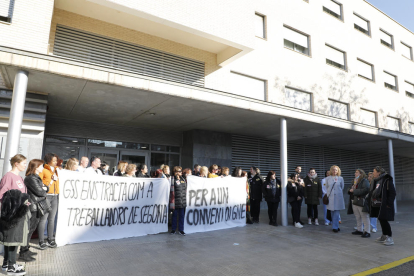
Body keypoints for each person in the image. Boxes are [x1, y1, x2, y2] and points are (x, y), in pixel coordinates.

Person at [0, 154, 29, 275]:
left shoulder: (19, 177)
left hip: (20, 212)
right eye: (23, 163)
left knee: (13, 239)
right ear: (16, 163)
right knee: (13, 239)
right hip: (13, 214)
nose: (25, 165)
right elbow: (2, 194)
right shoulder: (9, 176)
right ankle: (11, 267)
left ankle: (6, 264)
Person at [20, 159, 49, 262]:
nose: (43, 168)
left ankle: (26, 250)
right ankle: (23, 253)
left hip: (37, 206)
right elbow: (41, 192)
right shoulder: (30, 178)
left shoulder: (36, 177)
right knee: (28, 230)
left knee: (31, 229)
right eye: (41, 166)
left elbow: (46, 189)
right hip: (33, 206)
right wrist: (44, 190)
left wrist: (44, 189)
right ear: (36, 167)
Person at [370, 166, 396, 246]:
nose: (373, 173)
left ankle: (390, 238)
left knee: (384, 220)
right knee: (381, 219)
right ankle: (384, 236)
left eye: (374, 171)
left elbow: (393, 193)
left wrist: (388, 204)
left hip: (384, 204)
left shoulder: (386, 180)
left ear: (379, 172)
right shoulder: (376, 180)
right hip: (377, 204)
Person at [39, 153, 60, 248]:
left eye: (56, 160)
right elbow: (40, 183)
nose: (56, 162)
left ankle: (50, 238)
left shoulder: (57, 170)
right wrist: (50, 181)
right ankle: (41, 240)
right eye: (54, 160)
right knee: (43, 219)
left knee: (52, 219)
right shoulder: (43, 170)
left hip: (55, 196)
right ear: (49, 160)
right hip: (46, 196)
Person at [347, 169, 371, 237]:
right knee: (357, 216)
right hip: (354, 200)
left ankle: (367, 231)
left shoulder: (364, 181)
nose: (355, 173)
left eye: (357, 172)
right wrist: (349, 190)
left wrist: (354, 191)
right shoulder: (354, 180)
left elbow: (365, 190)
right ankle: (359, 229)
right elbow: (349, 188)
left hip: (360, 200)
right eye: (355, 172)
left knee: (364, 216)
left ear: (361, 173)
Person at [325, 165, 345, 233]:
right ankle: (336, 226)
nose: (334, 171)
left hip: (338, 198)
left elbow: (342, 187)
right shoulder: (328, 178)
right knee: (332, 213)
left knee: (336, 213)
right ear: (331, 170)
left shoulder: (340, 178)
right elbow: (326, 187)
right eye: (333, 170)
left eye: (336, 170)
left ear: (338, 171)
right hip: (330, 198)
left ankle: (335, 227)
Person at [170, 166, 186, 236]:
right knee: (174, 216)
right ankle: (173, 229)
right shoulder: (172, 179)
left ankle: (181, 230)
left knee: (181, 216)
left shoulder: (183, 179)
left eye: (181, 171)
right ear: (175, 172)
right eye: (179, 171)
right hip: (175, 201)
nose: (180, 172)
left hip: (182, 201)